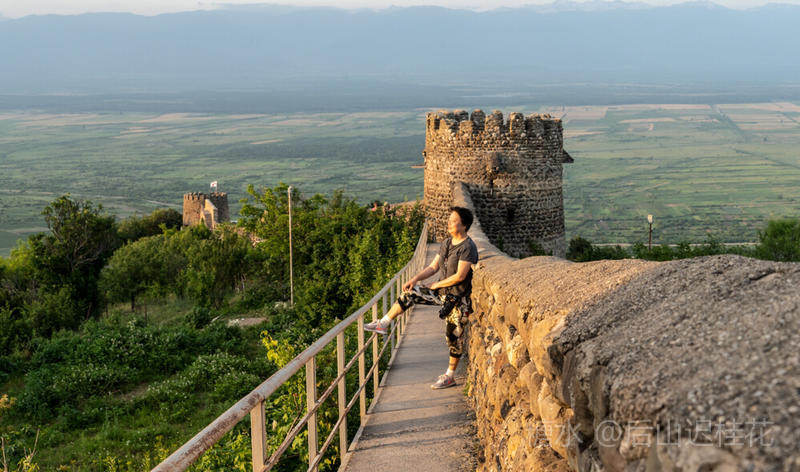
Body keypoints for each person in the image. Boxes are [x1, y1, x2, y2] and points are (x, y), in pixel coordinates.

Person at [364, 206, 479, 389]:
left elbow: (460, 276)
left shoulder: (468, 247)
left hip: (458, 299)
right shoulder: (446, 243)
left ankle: (449, 376)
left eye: (453, 221)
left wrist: (436, 285)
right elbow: (433, 267)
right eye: (449, 220)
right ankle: (383, 323)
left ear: (464, 225)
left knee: (453, 336)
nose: (449, 223)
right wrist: (415, 279)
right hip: (442, 294)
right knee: (410, 293)